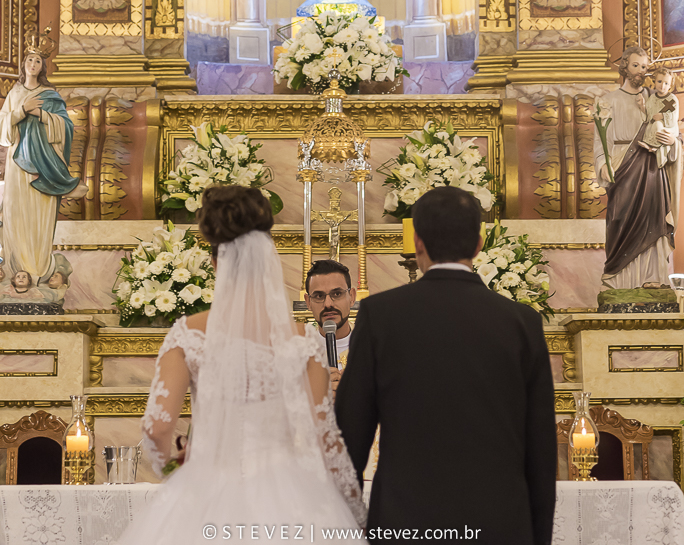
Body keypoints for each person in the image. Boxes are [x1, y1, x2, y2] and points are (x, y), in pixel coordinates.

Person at [122, 186, 364, 545]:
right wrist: (353, 511)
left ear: (216, 260)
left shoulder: (189, 333)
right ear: (267, 254)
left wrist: (176, 470)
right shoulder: (303, 339)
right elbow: (324, 438)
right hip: (291, 498)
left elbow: (157, 428)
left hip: (205, 492)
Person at [335, 187, 557, 545]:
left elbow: (350, 437)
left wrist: (346, 527)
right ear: (479, 243)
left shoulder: (380, 315)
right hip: (500, 525)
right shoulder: (521, 322)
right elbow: (541, 452)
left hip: (405, 522)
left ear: (418, 242)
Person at [0, 29, 86, 284]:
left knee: (38, 215)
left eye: (38, 61)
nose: (33, 64)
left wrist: (42, 116)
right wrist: (21, 111)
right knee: (16, 214)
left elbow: (67, 127)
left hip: (43, 165)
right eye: (29, 59)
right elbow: (3, 134)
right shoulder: (14, 94)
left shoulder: (51, 96)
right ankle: (17, 273)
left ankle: (38, 270)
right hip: (18, 163)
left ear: (43, 66)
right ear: (23, 64)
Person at [594, 45, 681, 288]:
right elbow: (601, 142)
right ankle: (619, 280)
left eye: (644, 67)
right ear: (624, 67)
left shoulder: (657, 99)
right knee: (620, 219)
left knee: (655, 219)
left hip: (653, 168)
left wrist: (673, 141)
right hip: (623, 168)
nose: (640, 72)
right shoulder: (608, 100)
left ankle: (653, 277)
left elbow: (673, 131)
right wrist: (603, 165)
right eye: (635, 66)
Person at [304, 259, 356, 395]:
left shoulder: (371, 346)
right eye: (319, 296)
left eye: (337, 294)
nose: (328, 304)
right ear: (308, 302)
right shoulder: (300, 352)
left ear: (352, 296)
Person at [639, 65, 680, 168]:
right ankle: (652, 146)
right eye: (659, 82)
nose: (662, 86)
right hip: (653, 127)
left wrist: (662, 116)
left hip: (668, 128)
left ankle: (661, 152)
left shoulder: (672, 99)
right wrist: (642, 106)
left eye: (666, 83)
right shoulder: (652, 98)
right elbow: (648, 114)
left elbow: (674, 116)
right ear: (654, 82)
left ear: (670, 86)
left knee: (658, 125)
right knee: (654, 126)